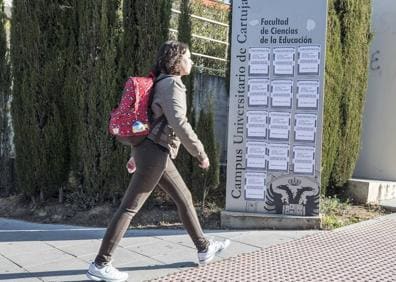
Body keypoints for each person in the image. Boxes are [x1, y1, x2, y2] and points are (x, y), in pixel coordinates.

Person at [86, 41, 230, 282]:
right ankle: (100, 263)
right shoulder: (172, 85)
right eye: (188, 57)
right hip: (154, 154)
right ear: (176, 62)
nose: (191, 62)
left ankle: (204, 247)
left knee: (183, 197)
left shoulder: (159, 82)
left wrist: (135, 154)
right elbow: (179, 123)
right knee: (129, 208)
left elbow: (147, 122)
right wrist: (200, 152)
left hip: (151, 152)